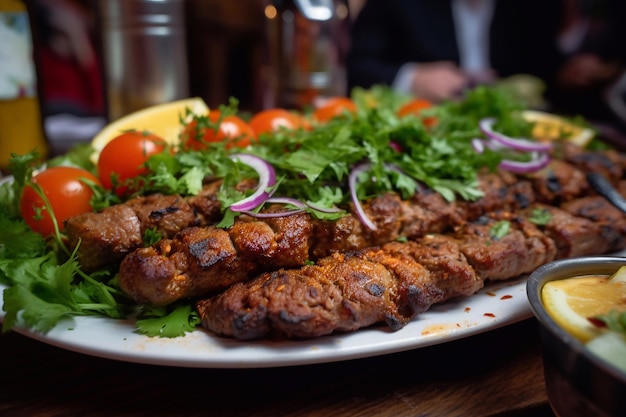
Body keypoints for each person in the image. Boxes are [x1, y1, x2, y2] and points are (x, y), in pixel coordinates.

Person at [346, 0, 565, 104]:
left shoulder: (534, 7)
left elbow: (547, 64)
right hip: (425, 119)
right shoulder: (395, 4)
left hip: (517, 128)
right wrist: (412, 78)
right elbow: (356, 67)